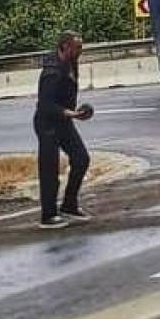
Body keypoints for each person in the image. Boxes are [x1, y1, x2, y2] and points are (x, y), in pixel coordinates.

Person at [34, 30, 93, 229]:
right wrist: (71, 114)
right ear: (65, 46)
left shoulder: (71, 63)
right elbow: (45, 105)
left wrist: (77, 112)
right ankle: (48, 215)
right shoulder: (51, 72)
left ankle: (69, 204)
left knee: (81, 159)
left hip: (64, 121)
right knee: (49, 169)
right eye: (77, 47)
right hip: (47, 124)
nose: (81, 51)